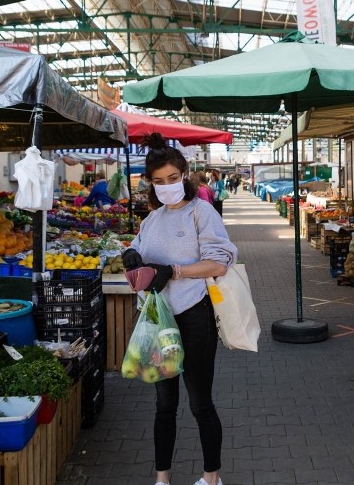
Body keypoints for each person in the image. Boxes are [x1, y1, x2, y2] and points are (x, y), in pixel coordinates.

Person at [121, 133, 237, 485]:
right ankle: (162, 478)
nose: (167, 186)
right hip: (158, 321)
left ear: (185, 174)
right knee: (164, 405)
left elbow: (219, 263)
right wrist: (131, 258)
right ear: (150, 184)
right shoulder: (151, 219)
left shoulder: (200, 212)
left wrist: (175, 271)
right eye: (158, 182)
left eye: (173, 178)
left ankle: (211, 478)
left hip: (194, 316)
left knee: (200, 403)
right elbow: (138, 254)